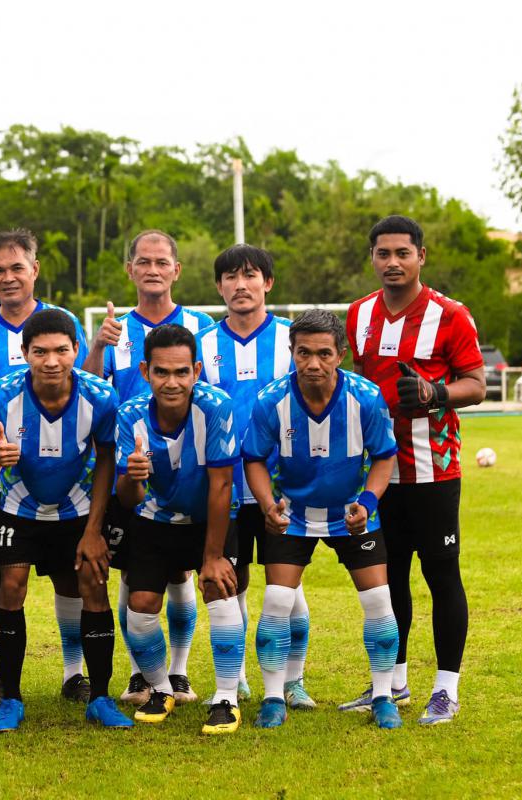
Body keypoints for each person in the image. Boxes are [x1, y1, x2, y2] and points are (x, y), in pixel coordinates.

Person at [341, 215, 485, 724]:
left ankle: (446, 690)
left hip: (433, 470)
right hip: (379, 473)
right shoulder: (358, 314)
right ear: (372, 258)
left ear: (421, 256)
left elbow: (476, 384)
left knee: (442, 575)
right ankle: (393, 682)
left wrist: (433, 392)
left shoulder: (450, 315)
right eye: (383, 253)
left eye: (403, 253)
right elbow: (358, 382)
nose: (393, 262)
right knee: (389, 577)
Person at [241, 310, 402, 730]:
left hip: (352, 514)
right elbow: (253, 458)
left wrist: (367, 501)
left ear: (340, 354)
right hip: (292, 515)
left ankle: (383, 696)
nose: (313, 363)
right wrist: (267, 504)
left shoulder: (366, 398)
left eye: (324, 354)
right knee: (277, 600)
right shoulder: (271, 400)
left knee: (378, 601)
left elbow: (384, 456)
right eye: (304, 353)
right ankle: (273, 697)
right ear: (292, 352)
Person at [0, 309, 132, 732]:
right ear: (24, 352)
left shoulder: (100, 395)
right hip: (18, 507)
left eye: (61, 350)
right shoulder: (1, 394)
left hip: (78, 508)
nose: (51, 361)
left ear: (76, 350)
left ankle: (99, 697)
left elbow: (106, 460)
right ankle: (11, 697)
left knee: (92, 585)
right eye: (40, 352)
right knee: (11, 586)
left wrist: (94, 530)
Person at [0, 229, 91, 704]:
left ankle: (75, 673)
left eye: (17, 267)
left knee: (69, 575)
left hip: (65, 480)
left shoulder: (62, 322)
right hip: (2, 479)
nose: (8, 277)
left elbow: (85, 391)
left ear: (35, 269)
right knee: (2, 575)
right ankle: (1, 674)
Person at [82, 229, 214, 706]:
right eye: (143, 261)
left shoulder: (202, 327)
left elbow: (211, 396)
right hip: (129, 468)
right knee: (133, 574)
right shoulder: (114, 332)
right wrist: (97, 347)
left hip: (187, 469)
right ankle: (141, 673)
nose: (152, 269)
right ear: (130, 270)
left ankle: (178, 671)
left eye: (161, 262)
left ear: (176, 270)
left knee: (180, 575)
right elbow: (88, 390)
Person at [114, 324, 245, 733]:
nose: (172, 382)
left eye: (182, 372)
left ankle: (226, 697)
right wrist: (133, 475)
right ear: (145, 371)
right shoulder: (129, 415)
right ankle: (160, 688)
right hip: (155, 519)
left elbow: (222, 484)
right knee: (140, 608)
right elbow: (129, 498)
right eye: (161, 372)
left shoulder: (217, 407)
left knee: (219, 588)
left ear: (197, 371)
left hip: (210, 518)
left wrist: (212, 555)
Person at [196, 244, 310, 708]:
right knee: (231, 580)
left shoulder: (291, 338)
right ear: (218, 286)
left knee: (288, 585)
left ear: (268, 283)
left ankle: (294, 680)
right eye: (230, 277)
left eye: (250, 275)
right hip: (222, 487)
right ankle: (237, 677)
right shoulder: (202, 342)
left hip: (284, 487)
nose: (240, 285)